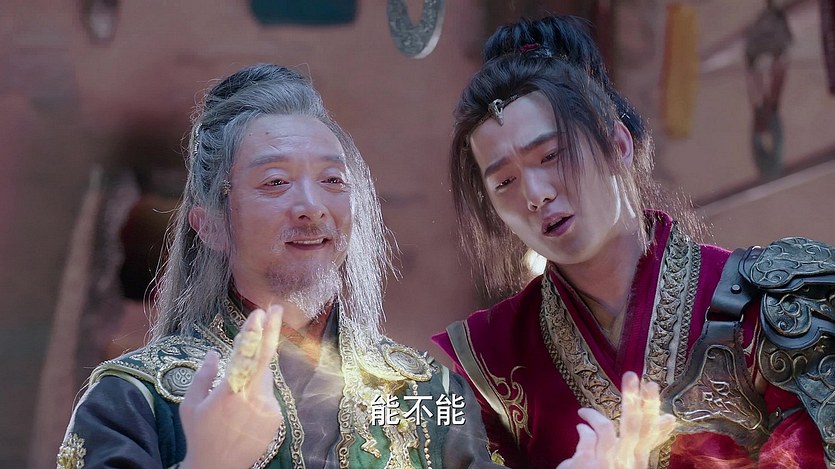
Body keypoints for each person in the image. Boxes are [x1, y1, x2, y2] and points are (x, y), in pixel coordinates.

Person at [56, 63, 671, 469]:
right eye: (275, 183)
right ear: (209, 223)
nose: (312, 207)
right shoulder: (133, 401)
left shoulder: (427, 396)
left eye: (333, 181)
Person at [433, 15, 833, 469]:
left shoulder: (774, 304)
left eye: (551, 155)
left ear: (618, 144)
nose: (536, 194)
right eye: (504, 182)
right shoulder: (487, 359)